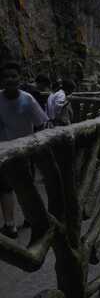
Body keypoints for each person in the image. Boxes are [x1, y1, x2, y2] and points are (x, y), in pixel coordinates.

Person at [0, 62, 49, 238]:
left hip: (24, 151)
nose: (10, 79)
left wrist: (38, 148)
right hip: (3, 151)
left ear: (19, 78)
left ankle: (31, 217)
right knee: (5, 188)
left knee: (26, 186)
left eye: (13, 76)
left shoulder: (27, 99)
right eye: (6, 76)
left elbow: (40, 124)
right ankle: (10, 224)